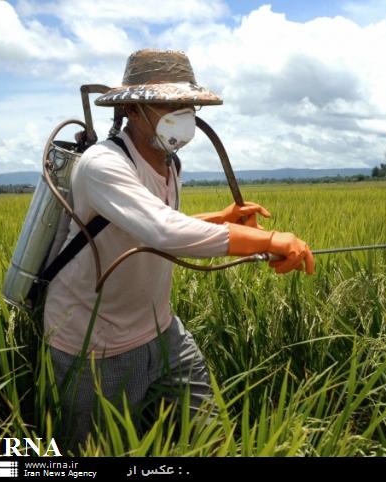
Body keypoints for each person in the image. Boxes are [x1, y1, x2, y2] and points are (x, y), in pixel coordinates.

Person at [43, 49, 315, 452]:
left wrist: (220, 220)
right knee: (94, 453)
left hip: (161, 329)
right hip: (93, 344)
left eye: (186, 104)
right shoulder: (102, 165)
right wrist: (269, 240)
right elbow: (163, 230)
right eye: (168, 104)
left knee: (210, 434)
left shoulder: (169, 164)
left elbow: (151, 225)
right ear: (133, 110)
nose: (183, 113)